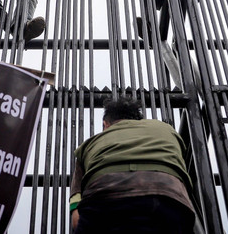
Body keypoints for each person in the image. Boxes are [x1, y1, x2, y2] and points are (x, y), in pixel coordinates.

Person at [69, 97, 195, 233]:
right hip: (167, 200)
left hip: (104, 203)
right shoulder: (166, 130)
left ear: (106, 125)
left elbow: (76, 217)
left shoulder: (88, 145)